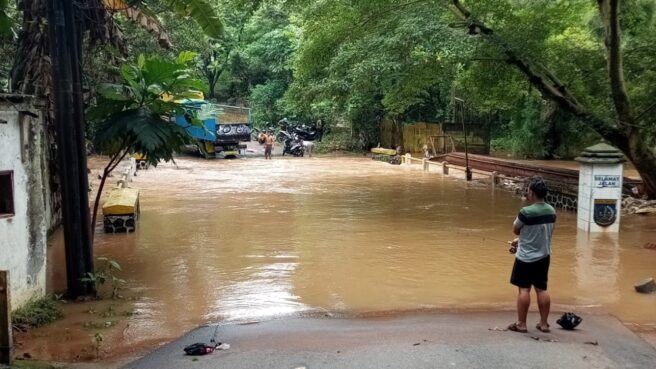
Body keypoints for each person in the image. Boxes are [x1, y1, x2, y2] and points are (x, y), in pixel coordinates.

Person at [507, 176, 556, 333]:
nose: (527, 194)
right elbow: (539, 232)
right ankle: (543, 324)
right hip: (544, 256)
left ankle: (521, 324)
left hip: (525, 258)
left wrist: (519, 241)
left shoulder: (525, 212)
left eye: (528, 191)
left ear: (533, 193)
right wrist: (520, 240)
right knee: (541, 289)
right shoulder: (551, 211)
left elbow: (516, 229)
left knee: (524, 289)